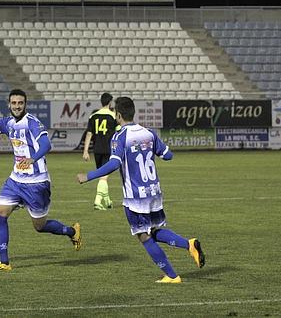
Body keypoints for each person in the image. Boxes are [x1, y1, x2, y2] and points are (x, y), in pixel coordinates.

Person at [77, 97, 205, 283]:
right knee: (153, 230)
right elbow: (168, 155)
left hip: (135, 197)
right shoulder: (149, 133)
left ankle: (172, 275)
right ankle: (189, 244)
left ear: (118, 115)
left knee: (143, 236)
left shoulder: (120, 137)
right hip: (154, 192)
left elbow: (114, 163)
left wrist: (88, 176)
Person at [0, 89, 81, 272]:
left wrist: (33, 158)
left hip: (37, 183)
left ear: (25, 104)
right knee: (0, 214)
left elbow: (46, 144)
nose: (16, 106)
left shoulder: (32, 122)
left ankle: (72, 231)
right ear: (9, 104)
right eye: (13, 103)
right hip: (15, 180)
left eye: (20, 103)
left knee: (40, 226)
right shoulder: (7, 123)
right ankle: (4, 262)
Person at [82, 92, 118, 210]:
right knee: (104, 176)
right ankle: (97, 201)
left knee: (103, 175)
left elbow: (89, 133)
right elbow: (118, 132)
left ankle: (107, 201)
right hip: (109, 149)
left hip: (97, 149)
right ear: (110, 102)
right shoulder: (113, 116)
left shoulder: (93, 116)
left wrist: (86, 151)